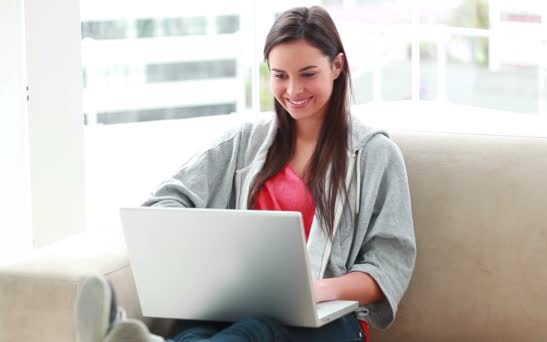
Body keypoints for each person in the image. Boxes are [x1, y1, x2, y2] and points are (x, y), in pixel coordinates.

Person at [75, 5, 416, 342]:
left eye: (308, 74)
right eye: (280, 76)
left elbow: (389, 264)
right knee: (194, 331)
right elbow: (165, 203)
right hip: (236, 308)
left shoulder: (375, 155)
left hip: (331, 322)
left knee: (257, 332)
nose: (293, 91)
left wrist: (315, 290)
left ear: (337, 66)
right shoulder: (243, 143)